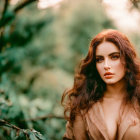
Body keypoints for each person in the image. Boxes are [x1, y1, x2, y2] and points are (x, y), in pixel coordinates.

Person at [61, 29, 140, 140]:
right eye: (99, 59)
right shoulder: (83, 103)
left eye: (114, 57)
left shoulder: (138, 99)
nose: (106, 65)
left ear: (127, 59)